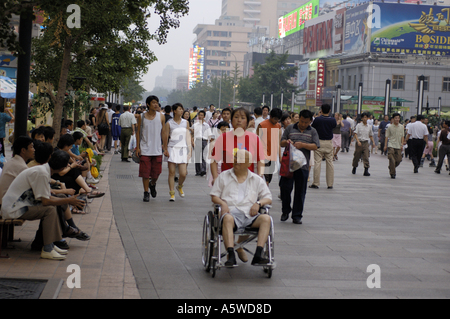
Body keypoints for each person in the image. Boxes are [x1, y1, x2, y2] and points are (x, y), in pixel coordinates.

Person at [0, 150, 86, 260]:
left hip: (20, 205)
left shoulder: (43, 170)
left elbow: (47, 197)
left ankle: (52, 244)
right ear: (62, 168)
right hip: (14, 209)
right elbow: (46, 201)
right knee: (49, 210)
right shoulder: (42, 173)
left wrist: (67, 200)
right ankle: (48, 248)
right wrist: (69, 201)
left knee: (60, 199)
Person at [210, 149, 272, 267]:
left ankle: (258, 254)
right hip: (230, 212)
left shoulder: (256, 179)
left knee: (266, 219)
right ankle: (231, 254)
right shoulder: (224, 176)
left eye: (240, 160)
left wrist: (258, 203)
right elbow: (214, 196)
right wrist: (222, 203)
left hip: (250, 214)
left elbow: (268, 197)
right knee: (227, 218)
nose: (236, 161)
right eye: (235, 158)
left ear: (249, 163)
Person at [280, 109, 319, 224]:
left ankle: (297, 215)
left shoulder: (313, 131)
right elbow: (281, 142)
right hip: (289, 165)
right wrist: (286, 142)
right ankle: (285, 211)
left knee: (300, 191)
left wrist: (303, 145)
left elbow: (316, 146)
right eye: (301, 121)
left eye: (306, 122)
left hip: (303, 166)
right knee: (285, 188)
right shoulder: (290, 128)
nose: (303, 124)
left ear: (310, 121)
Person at [210, 107, 265, 186]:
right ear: (231, 121)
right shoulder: (223, 138)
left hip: (248, 182)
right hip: (227, 182)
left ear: (247, 122)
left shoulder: (254, 138)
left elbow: (261, 160)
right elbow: (214, 160)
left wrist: (260, 177)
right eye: (236, 117)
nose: (239, 120)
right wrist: (215, 177)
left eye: (242, 118)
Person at [135, 95, 166, 202]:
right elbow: (138, 132)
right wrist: (138, 147)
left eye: (157, 102)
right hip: (145, 149)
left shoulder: (161, 116)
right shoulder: (142, 117)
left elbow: (163, 132)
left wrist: (165, 147)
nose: (156, 104)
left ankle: (152, 184)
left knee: (156, 173)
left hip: (157, 149)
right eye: (153, 102)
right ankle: (146, 192)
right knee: (145, 172)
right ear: (148, 104)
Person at [163, 103, 192, 201]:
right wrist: (165, 149)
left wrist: (190, 150)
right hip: (172, 148)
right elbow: (166, 136)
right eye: (179, 109)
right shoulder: (169, 123)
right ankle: (172, 193)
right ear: (174, 111)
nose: (181, 111)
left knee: (183, 173)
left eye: (182, 109)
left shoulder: (185, 123)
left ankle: (179, 186)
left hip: (183, 148)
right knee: (171, 173)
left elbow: (188, 136)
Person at [0, 136, 35, 206]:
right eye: (31, 147)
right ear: (23, 150)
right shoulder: (21, 167)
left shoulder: (12, 161)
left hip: (5, 202)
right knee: (49, 209)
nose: (34, 150)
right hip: (9, 205)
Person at [310, 104, 336, 189]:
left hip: (319, 142)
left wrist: (318, 115)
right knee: (330, 163)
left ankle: (316, 183)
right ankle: (330, 184)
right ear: (329, 111)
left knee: (317, 162)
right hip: (329, 143)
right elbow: (334, 126)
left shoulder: (317, 119)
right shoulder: (332, 120)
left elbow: (312, 127)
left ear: (321, 110)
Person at [257, 108, 282, 186]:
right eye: (275, 119)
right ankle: (263, 191)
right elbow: (257, 139)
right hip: (263, 152)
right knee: (265, 175)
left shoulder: (278, 126)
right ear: (270, 116)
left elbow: (279, 142)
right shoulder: (262, 125)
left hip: (273, 154)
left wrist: (280, 156)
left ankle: (264, 188)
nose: (276, 121)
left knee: (269, 175)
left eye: (278, 119)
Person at [384, 113, 404, 179]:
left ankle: (391, 167)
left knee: (398, 160)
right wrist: (385, 145)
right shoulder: (389, 127)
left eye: (398, 118)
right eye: (396, 118)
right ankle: (393, 173)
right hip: (391, 145)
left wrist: (402, 144)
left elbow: (402, 136)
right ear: (393, 119)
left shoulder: (401, 127)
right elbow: (387, 136)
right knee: (391, 159)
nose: (397, 119)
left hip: (398, 145)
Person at [192, 110, 210, 177]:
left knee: (203, 156)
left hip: (204, 141)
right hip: (197, 140)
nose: (200, 116)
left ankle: (203, 170)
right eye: (199, 115)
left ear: (204, 116)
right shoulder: (195, 125)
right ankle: (198, 171)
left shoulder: (207, 125)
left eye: (202, 115)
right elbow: (192, 134)